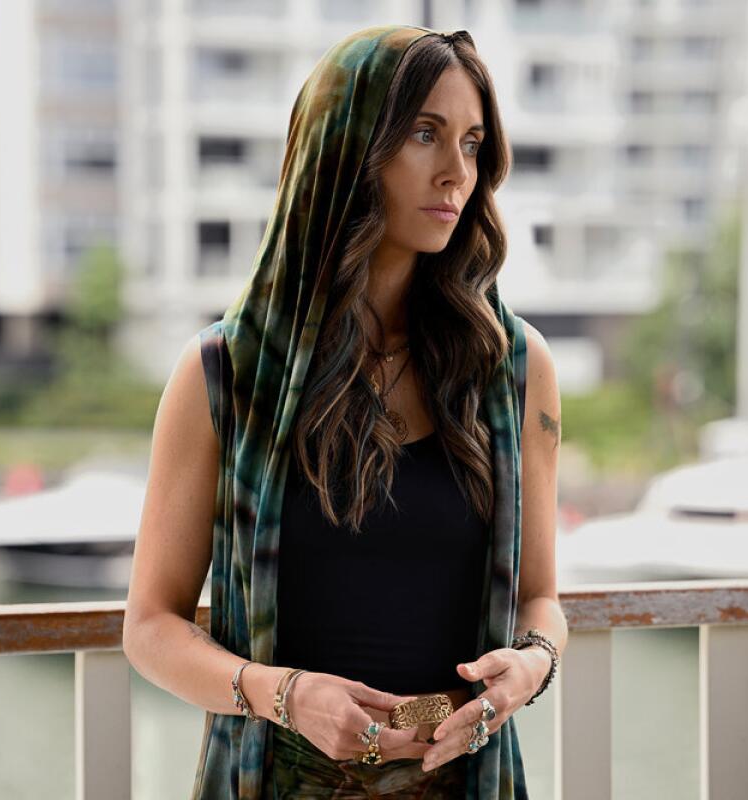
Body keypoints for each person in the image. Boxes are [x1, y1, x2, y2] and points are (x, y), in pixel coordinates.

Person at [122, 24, 567, 799]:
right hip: (276, 783)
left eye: (471, 142)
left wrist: (528, 666)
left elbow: (542, 599)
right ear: (346, 147)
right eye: (424, 134)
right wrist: (284, 696)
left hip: (464, 782)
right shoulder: (224, 376)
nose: (454, 171)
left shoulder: (513, 370)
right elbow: (151, 627)